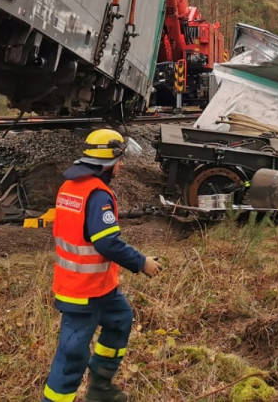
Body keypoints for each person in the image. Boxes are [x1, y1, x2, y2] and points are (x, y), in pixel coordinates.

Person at [42, 129, 163, 402]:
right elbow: (107, 243)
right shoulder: (97, 195)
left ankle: (100, 387)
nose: (121, 166)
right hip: (82, 291)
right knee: (72, 353)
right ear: (110, 162)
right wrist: (142, 262)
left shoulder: (70, 187)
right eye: (120, 160)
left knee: (120, 320)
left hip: (99, 288)